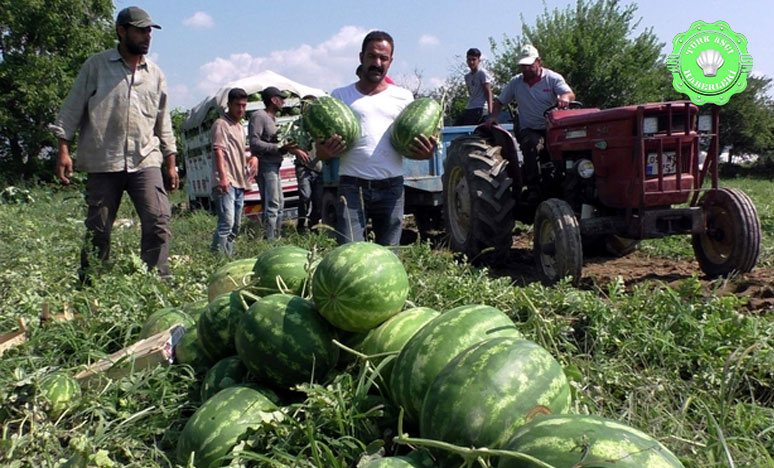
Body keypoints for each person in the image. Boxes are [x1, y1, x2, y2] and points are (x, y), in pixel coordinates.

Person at [51, 6, 178, 282]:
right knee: (98, 228)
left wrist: (170, 162)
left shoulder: (155, 74)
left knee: (158, 220)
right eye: (140, 30)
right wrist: (63, 150)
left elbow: (163, 121)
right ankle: (92, 285)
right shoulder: (95, 67)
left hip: (145, 159)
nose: (147, 36)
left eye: (149, 31)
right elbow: (72, 109)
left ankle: (156, 283)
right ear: (122, 31)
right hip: (103, 160)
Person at [316, 30, 436, 246]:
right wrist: (323, 153)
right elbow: (321, 150)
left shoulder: (404, 97)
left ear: (390, 62)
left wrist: (425, 153)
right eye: (372, 56)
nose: (377, 63)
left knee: (388, 257)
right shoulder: (339, 96)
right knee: (350, 254)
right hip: (351, 186)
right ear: (361, 57)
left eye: (384, 58)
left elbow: (411, 145)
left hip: (391, 187)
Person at [485, 44, 575, 201]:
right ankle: (534, 187)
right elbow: (500, 101)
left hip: (553, 128)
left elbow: (568, 93)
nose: (526, 69)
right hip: (530, 128)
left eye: (529, 65)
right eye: (523, 66)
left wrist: (565, 98)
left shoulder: (552, 78)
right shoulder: (516, 83)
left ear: (538, 62)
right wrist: (493, 117)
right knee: (531, 143)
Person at [248, 86, 305, 240]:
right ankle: (270, 240)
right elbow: (254, 143)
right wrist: (279, 147)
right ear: (273, 100)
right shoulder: (259, 116)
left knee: (279, 204)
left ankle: (276, 237)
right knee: (272, 205)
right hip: (266, 166)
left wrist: (286, 147)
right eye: (281, 98)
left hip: (274, 165)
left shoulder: (272, 119)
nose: (283, 101)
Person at [210, 88, 257, 255]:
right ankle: (216, 259)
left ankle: (227, 257)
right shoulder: (221, 124)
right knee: (226, 224)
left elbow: (238, 153)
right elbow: (219, 151)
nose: (241, 109)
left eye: (244, 105)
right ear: (229, 104)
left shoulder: (238, 126)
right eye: (238, 105)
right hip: (226, 182)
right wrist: (223, 179)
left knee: (236, 226)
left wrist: (252, 158)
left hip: (239, 182)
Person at [294, 96, 324, 234]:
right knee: (305, 196)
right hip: (304, 166)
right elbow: (286, 142)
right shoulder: (297, 124)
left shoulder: (321, 123)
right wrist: (297, 150)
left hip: (319, 166)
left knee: (318, 199)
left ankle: (314, 226)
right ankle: (301, 222)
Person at [454, 48, 493, 126]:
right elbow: (470, 92)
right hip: (470, 107)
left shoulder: (482, 73)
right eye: (469, 60)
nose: (471, 62)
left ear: (479, 61)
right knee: (457, 126)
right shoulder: (467, 77)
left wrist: (490, 111)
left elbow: (488, 92)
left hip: (481, 107)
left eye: (474, 59)